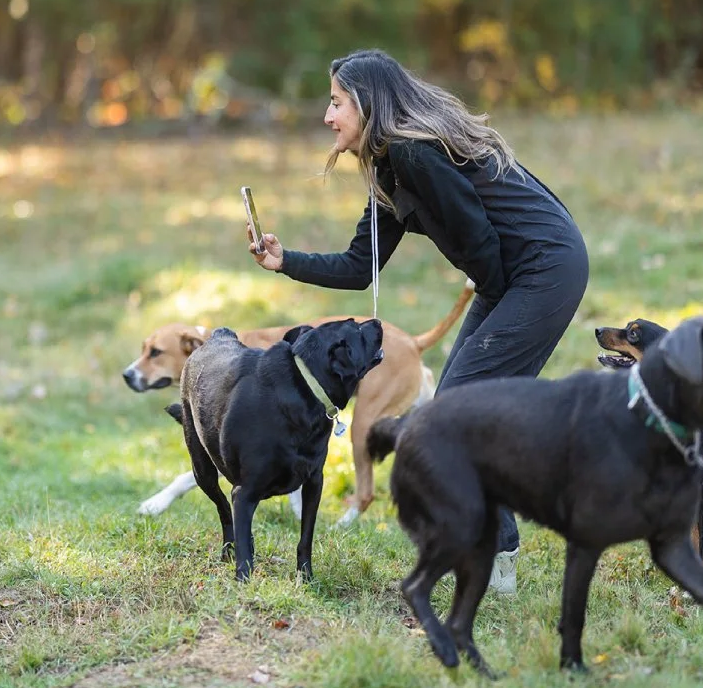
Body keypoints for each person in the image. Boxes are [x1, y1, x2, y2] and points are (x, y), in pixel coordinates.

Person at [248, 48, 590, 596]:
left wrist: (497, 313)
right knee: (459, 407)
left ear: (365, 103)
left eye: (336, 103)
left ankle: (496, 554)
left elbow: (478, 238)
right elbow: (361, 267)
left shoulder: (412, 155)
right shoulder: (390, 167)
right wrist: (285, 260)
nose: (327, 116)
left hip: (544, 268)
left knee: (459, 408)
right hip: (510, 274)